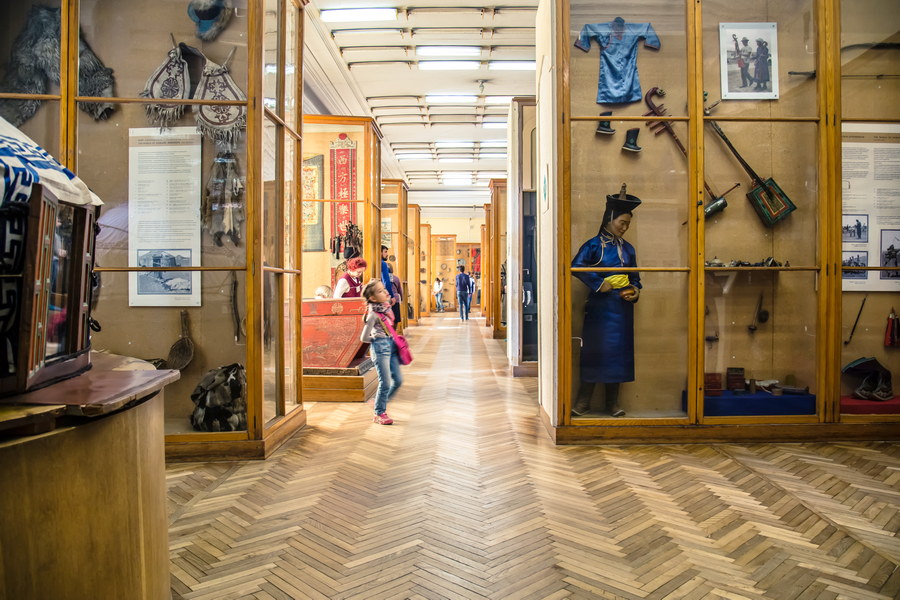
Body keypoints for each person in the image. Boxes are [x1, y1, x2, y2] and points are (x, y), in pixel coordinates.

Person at [570, 186, 642, 417]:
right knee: (594, 352)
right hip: (600, 310)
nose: (624, 227)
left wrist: (635, 290)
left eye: (627, 224)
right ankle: (583, 401)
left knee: (618, 355)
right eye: (622, 222)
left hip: (622, 310)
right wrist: (600, 284)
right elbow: (576, 267)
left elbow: (636, 278)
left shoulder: (628, 249)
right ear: (609, 219)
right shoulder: (593, 245)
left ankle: (613, 403)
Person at [360, 278, 403, 425]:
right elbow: (363, 337)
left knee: (397, 380)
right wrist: (377, 340)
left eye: (384, 289)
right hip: (380, 349)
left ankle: (379, 402)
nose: (385, 291)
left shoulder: (385, 308)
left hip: (390, 345)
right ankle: (379, 413)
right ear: (372, 298)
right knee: (385, 382)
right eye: (380, 291)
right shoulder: (373, 314)